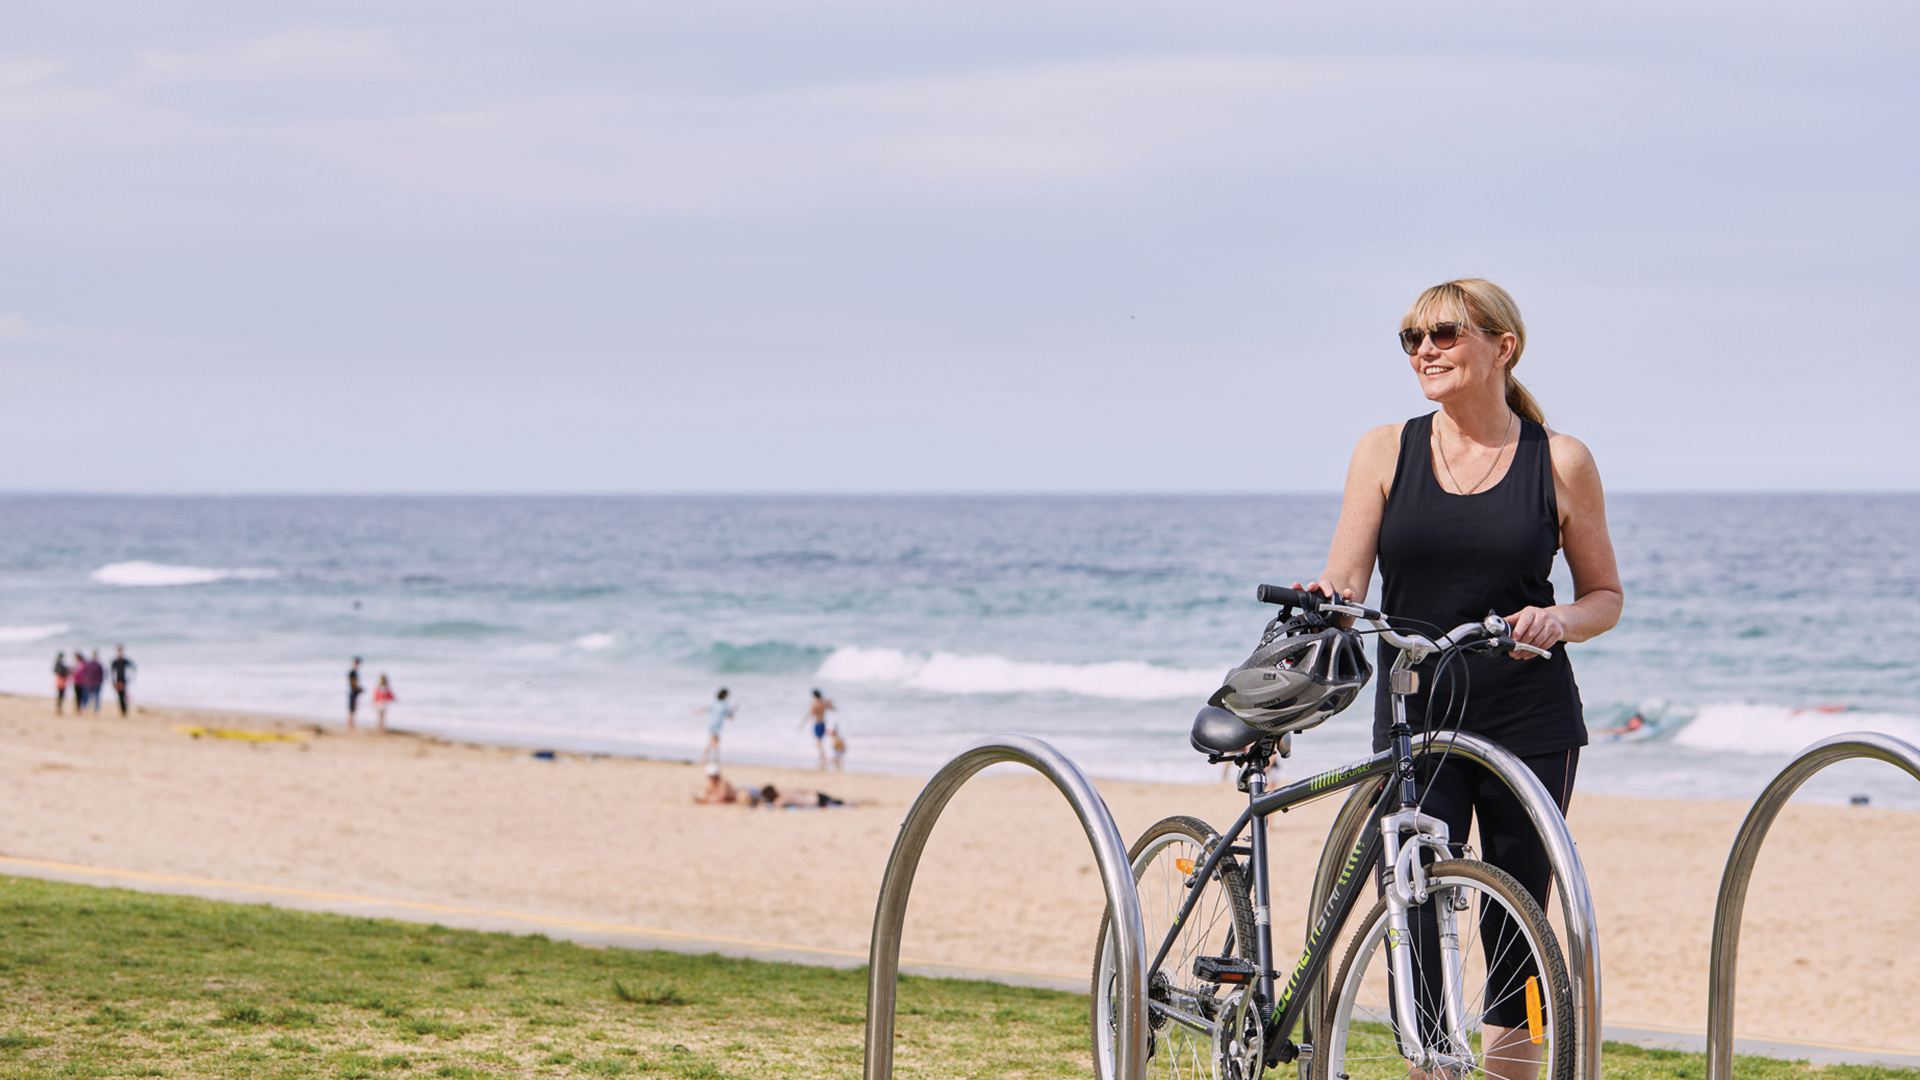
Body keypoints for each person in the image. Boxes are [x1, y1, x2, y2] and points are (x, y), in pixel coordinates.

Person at [1298, 279, 1622, 1080]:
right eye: (1410, 338)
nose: (1424, 351)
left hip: (1530, 721)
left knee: (1517, 930)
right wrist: (1327, 607)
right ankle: (1430, 1072)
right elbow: (1347, 586)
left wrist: (1559, 621)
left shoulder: (1561, 460)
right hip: (1415, 719)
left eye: (1443, 333)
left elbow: (1605, 598)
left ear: (1502, 346)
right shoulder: (1384, 449)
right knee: (1414, 914)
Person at [697, 688, 733, 768]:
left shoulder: (715, 702)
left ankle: (708, 759)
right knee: (714, 742)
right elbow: (730, 716)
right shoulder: (724, 704)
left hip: (712, 724)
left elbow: (706, 709)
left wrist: (698, 711)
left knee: (713, 742)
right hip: (716, 724)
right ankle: (712, 759)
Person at [800, 688, 835, 770]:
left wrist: (802, 724)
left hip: (817, 724)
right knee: (820, 744)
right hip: (823, 724)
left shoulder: (815, 704)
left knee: (819, 745)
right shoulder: (824, 703)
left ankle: (824, 761)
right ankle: (822, 761)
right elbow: (833, 708)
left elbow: (809, 715)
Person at [109, 646, 137, 717]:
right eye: (119, 651)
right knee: (120, 696)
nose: (120, 653)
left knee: (124, 695)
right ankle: (122, 711)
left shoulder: (125, 661)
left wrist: (130, 678)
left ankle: (124, 711)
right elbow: (112, 672)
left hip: (124, 681)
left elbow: (133, 668)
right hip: (117, 681)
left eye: (120, 651)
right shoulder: (115, 662)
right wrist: (113, 681)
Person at [347, 658, 363, 731]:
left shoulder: (353, 672)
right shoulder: (353, 672)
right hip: (353, 692)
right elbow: (354, 683)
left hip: (353, 692)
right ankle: (350, 726)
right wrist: (358, 689)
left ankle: (351, 726)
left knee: (353, 710)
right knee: (352, 710)